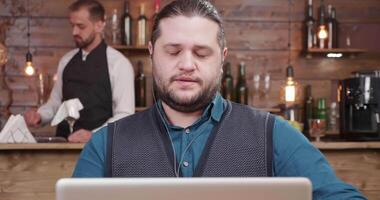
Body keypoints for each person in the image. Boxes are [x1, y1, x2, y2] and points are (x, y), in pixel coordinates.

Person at [73, 0, 366, 199]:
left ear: (222, 60)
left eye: (201, 53)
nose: (187, 64)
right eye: (173, 51)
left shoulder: (273, 135)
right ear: (152, 52)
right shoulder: (105, 145)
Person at [24, 0, 135, 143]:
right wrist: (39, 115)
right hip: (61, 148)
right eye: (72, 26)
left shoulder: (119, 64)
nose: (74, 32)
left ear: (99, 25)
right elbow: (55, 103)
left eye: (81, 26)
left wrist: (93, 135)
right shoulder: (66, 61)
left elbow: (125, 115)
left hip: (99, 150)